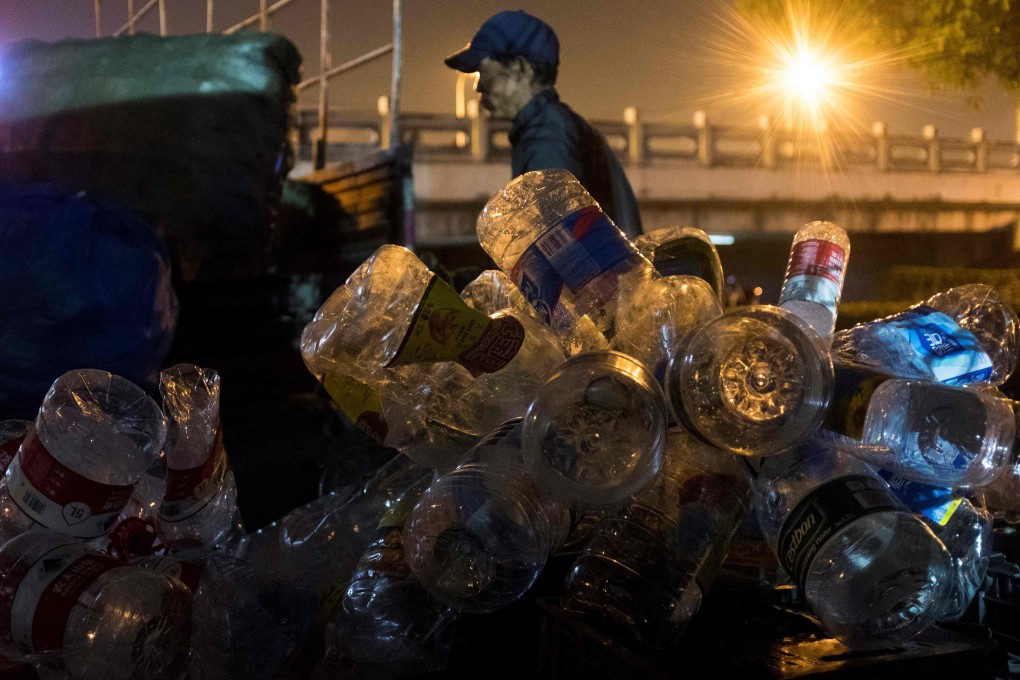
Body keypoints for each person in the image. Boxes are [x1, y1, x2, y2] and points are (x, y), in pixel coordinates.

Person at [444, 10, 643, 238]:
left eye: (483, 73)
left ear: (521, 68)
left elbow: (554, 247)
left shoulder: (547, 136)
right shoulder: (555, 125)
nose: (479, 88)